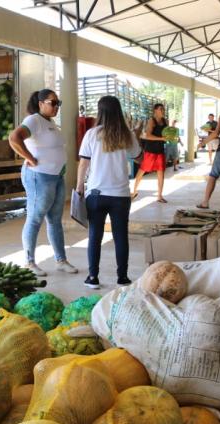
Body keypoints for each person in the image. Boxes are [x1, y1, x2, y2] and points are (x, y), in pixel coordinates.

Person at [8, 89, 78, 277]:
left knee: (55, 220)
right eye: (53, 103)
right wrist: (29, 158)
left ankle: (61, 260)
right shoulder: (34, 120)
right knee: (35, 218)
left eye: (58, 103)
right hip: (40, 177)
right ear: (41, 104)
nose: (56, 106)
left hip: (55, 177)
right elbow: (14, 138)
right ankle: (29, 262)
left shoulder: (50, 122)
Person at [76, 95, 141, 289]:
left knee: (95, 235)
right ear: (118, 111)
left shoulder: (92, 134)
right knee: (120, 236)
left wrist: (80, 186)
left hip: (96, 194)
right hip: (120, 195)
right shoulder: (127, 135)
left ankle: (93, 277)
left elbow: (83, 164)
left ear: (100, 111)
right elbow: (139, 158)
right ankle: (122, 277)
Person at [131, 103, 168, 203]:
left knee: (161, 173)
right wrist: (161, 138)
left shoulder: (165, 121)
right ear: (155, 110)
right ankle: (134, 191)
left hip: (160, 150)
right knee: (142, 170)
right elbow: (148, 135)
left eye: (163, 109)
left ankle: (159, 196)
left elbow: (167, 134)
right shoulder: (152, 121)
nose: (163, 110)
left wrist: (170, 137)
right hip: (150, 150)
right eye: (161, 109)